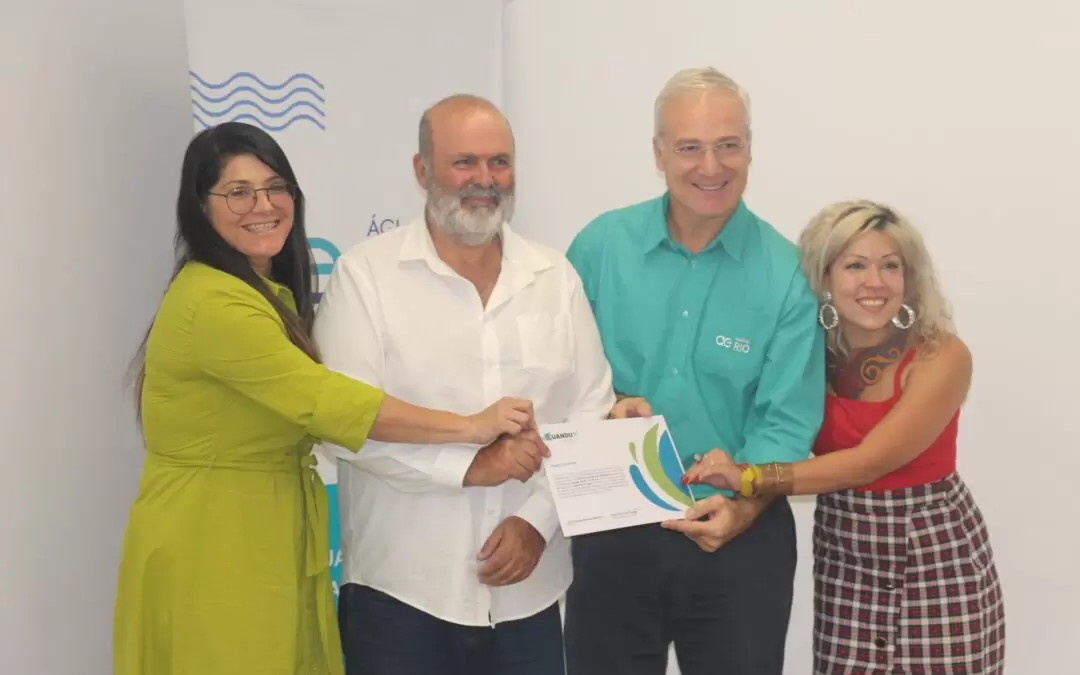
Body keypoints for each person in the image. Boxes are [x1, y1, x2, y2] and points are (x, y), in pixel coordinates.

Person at [112, 121, 536, 675]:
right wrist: (471, 426)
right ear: (200, 206)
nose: (263, 205)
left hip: (265, 529)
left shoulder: (262, 292)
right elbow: (328, 402)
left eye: (275, 187)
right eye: (238, 192)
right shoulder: (213, 303)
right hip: (213, 536)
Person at [311, 94, 617, 675]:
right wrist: (470, 466)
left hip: (528, 594)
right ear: (422, 170)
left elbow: (592, 412)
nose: (485, 179)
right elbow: (344, 424)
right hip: (401, 595)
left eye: (499, 162)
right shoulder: (365, 277)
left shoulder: (554, 277)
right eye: (464, 162)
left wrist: (537, 523)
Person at [562, 67, 826, 675]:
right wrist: (606, 409)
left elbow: (786, 422)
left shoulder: (787, 273)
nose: (711, 166)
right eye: (689, 148)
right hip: (612, 530)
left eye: (728, 145)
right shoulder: (600, 247)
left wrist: (743, 507)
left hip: (741, 536)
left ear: (750, 150)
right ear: (658, 153)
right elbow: (560, 376)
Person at [678, 199, 1006, 675]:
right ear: (824, 276)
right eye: (855, 266)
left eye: (890, 266)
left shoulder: (942, 356)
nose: (875, 282)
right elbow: (761, 413)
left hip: (934, 553)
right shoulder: (806, 353)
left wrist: (748, 477)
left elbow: (868, 462)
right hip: (846, 552)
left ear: (909, 277)